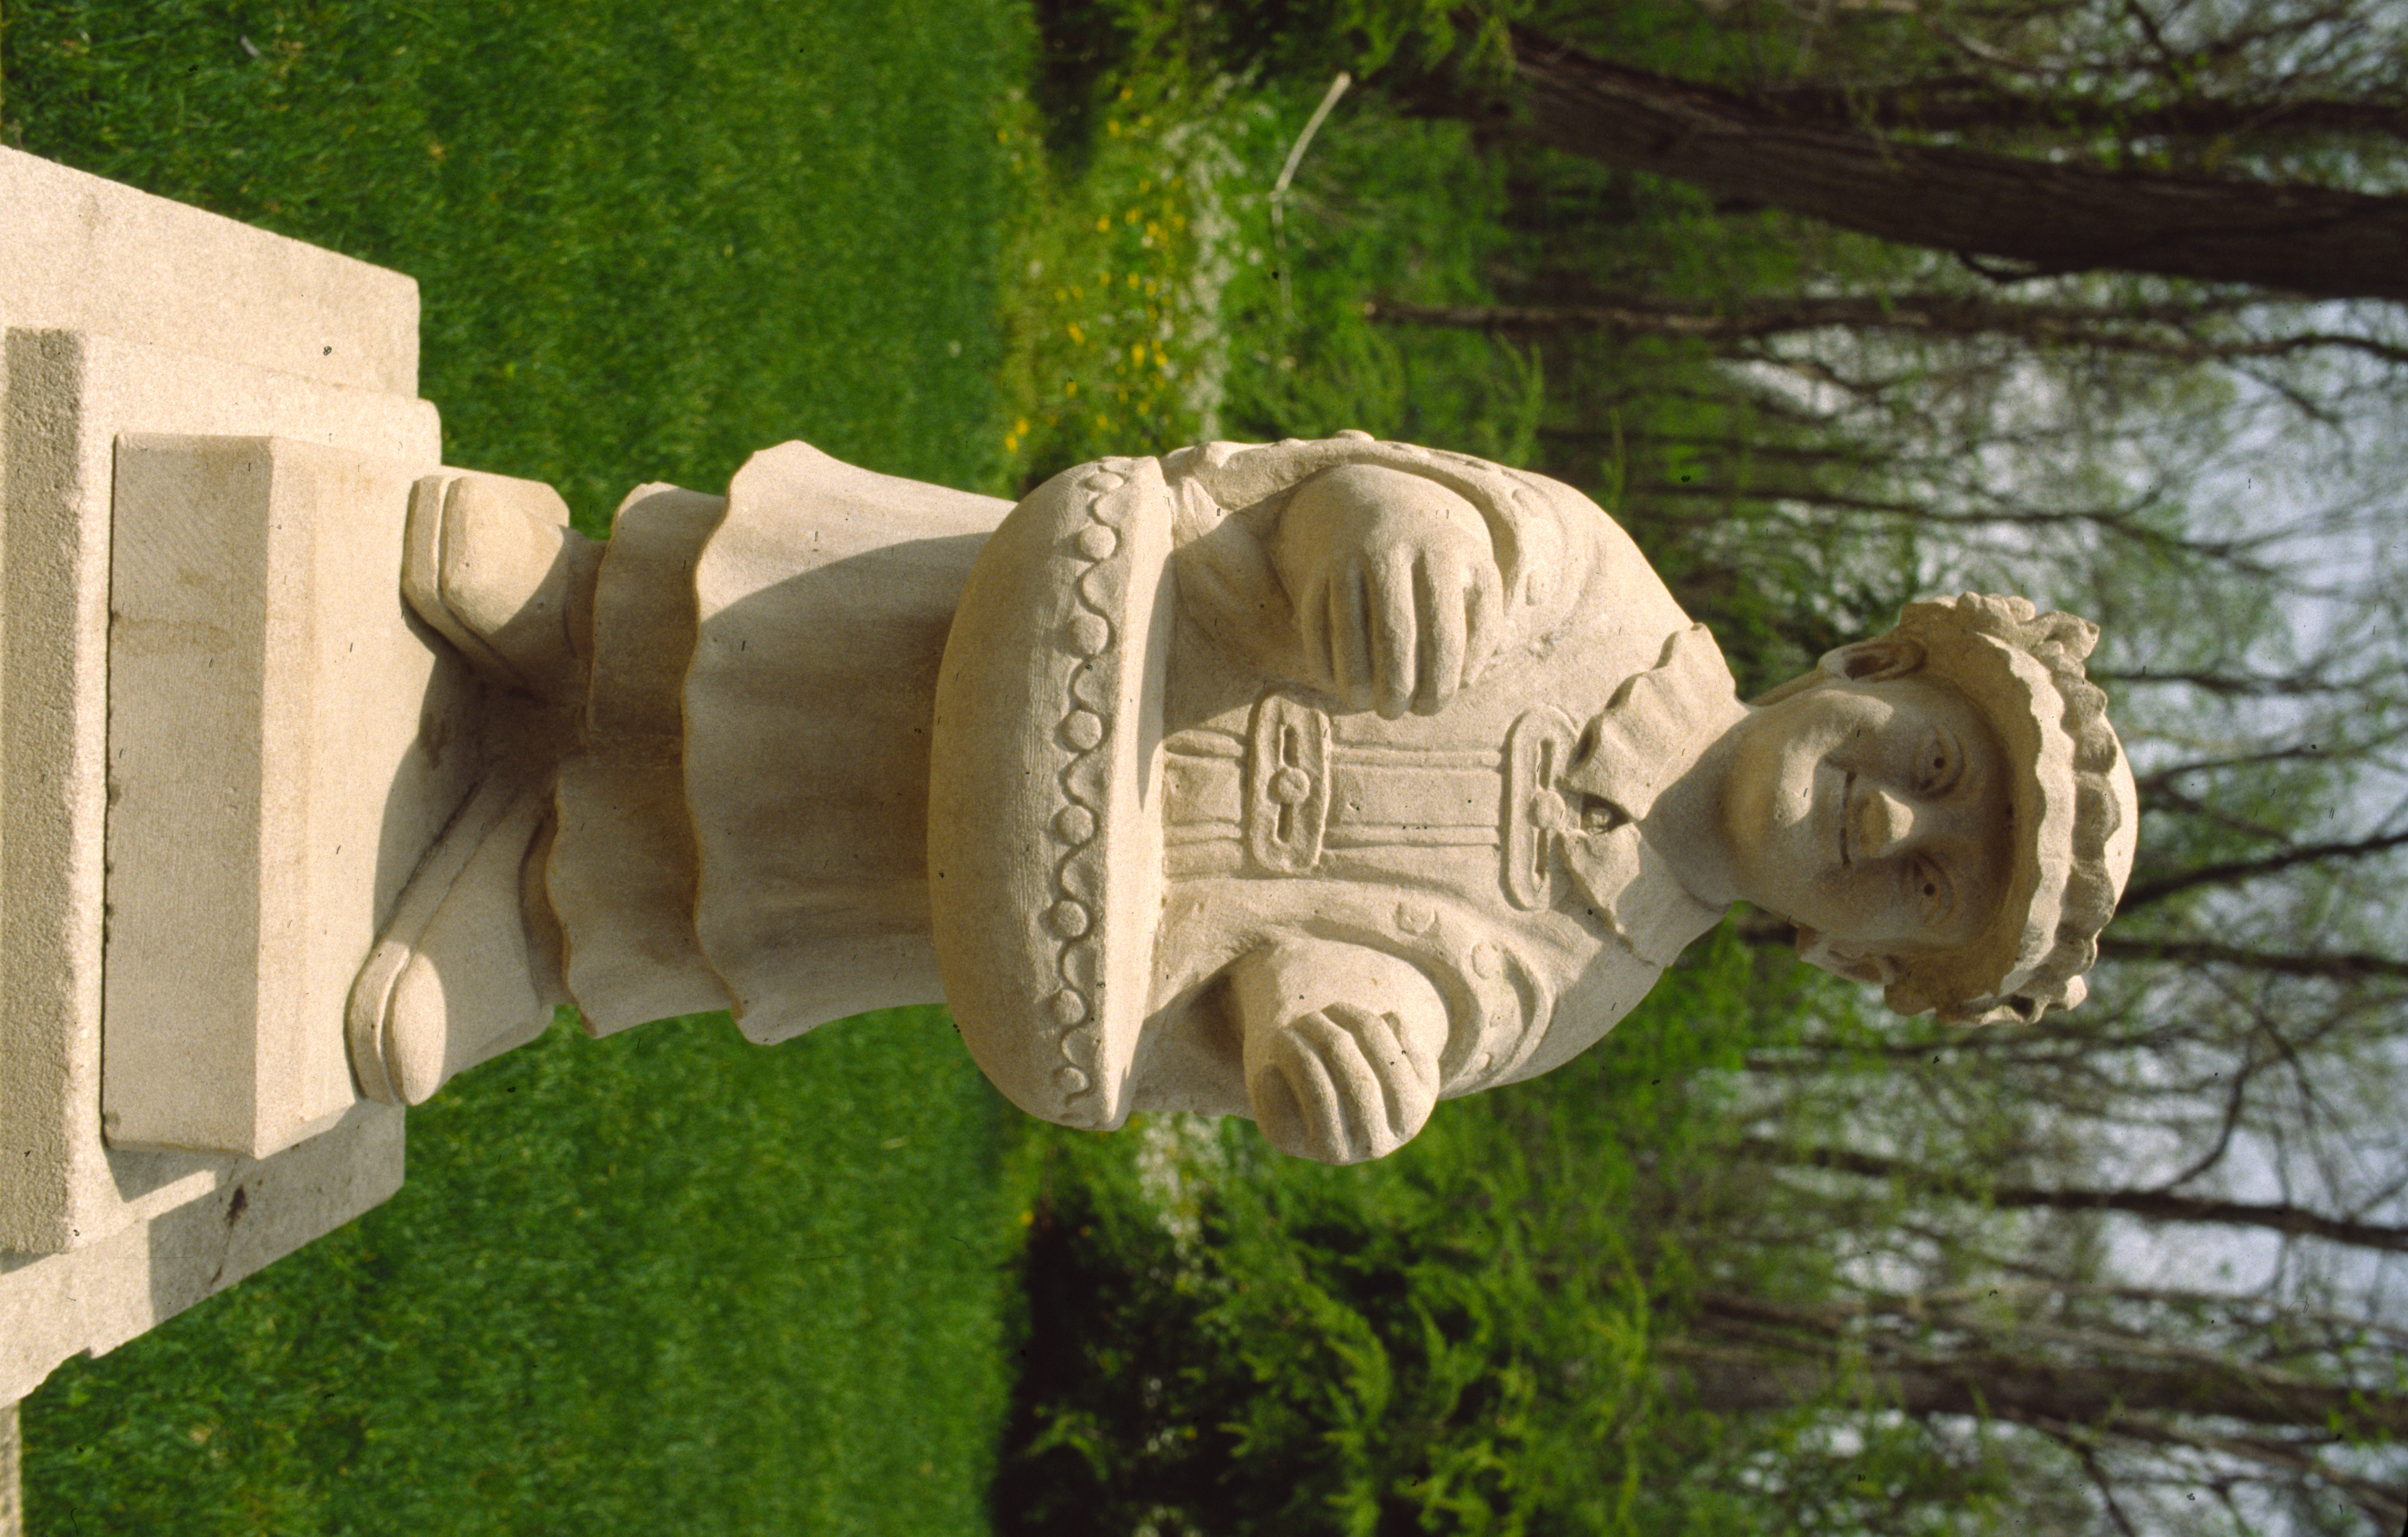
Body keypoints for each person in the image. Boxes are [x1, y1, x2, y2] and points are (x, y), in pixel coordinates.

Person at [383, 433, 2136, 1165]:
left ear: (1859, 960)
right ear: (1875, 663)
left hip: (1068, 867)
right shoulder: (1596, 585)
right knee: (809, 632)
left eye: (1927, 888)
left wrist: (1321, 1035)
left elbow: (1392, 991)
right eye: (1933, 771)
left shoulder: (1577, 989)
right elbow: (1367, 498)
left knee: (794, 875)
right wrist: (1379, 528)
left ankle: (554, 895)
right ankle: (576, 608)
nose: (1893, 827)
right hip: (1074, 641)